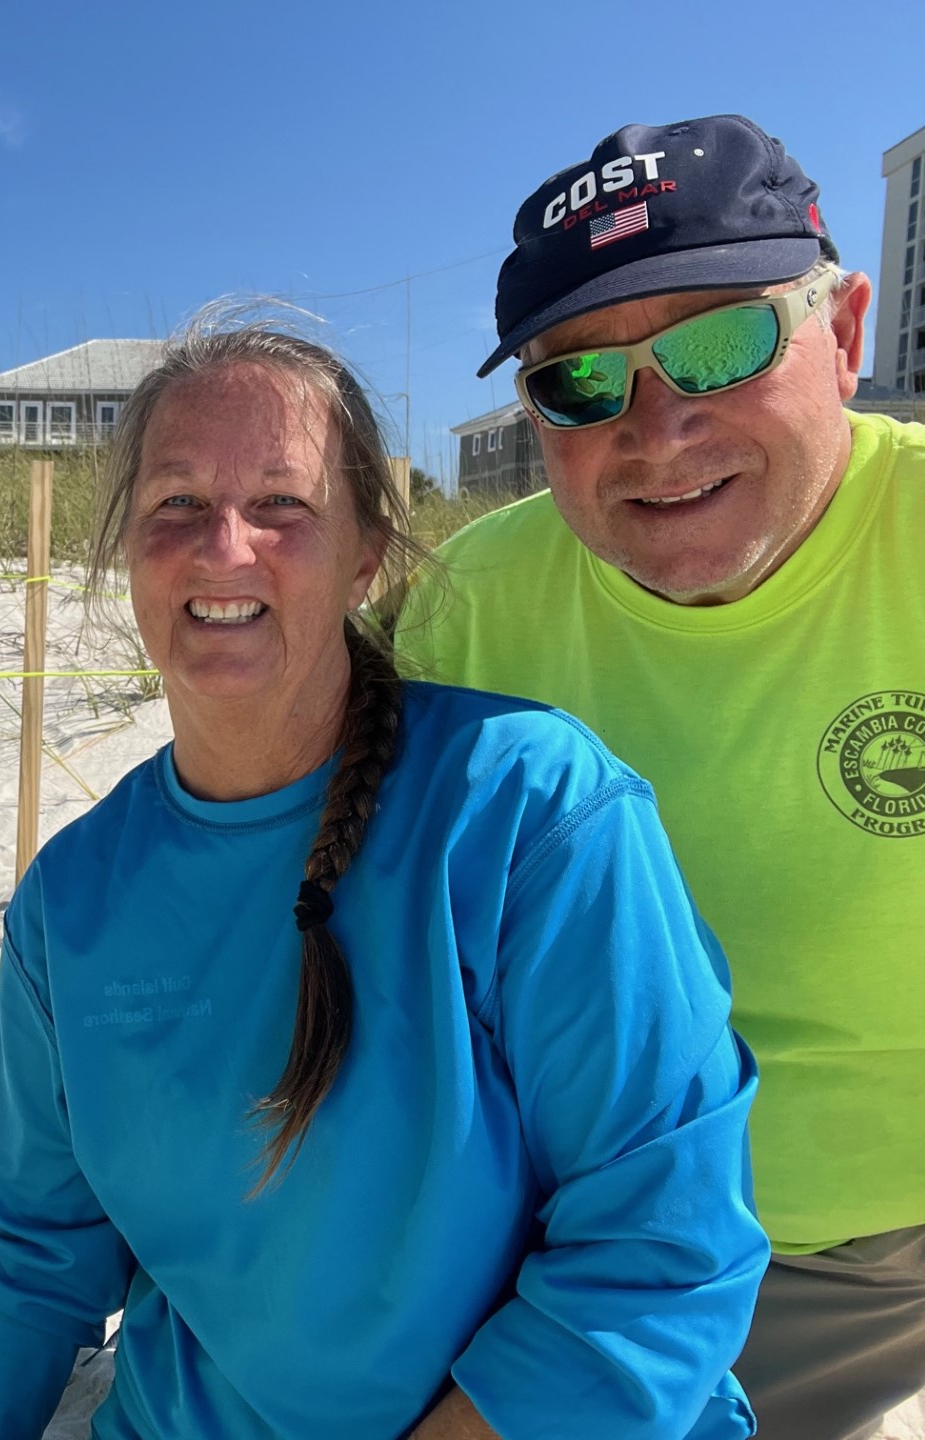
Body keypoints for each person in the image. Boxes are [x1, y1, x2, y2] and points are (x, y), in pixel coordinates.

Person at [0, 311, 769, 1440]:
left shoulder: (531, 812)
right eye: (176, 503)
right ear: (129, 547)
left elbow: (665, 1253)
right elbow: (37, 1255)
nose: (225, 547)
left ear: (368, 552)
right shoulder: (71, 902)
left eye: (282, 504)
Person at [395, 113, 925, 1440]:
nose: (659, 421)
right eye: (580, 382)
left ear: (846, 335)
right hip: (540, 1238)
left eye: (722, 341)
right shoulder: (471, 604)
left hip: (862, 1269)